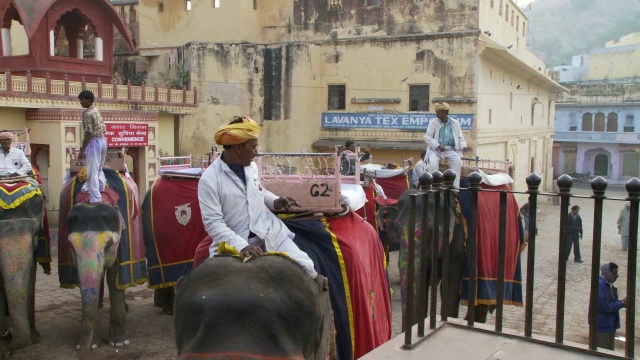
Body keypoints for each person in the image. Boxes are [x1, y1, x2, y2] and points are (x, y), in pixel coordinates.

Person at [198, 116, 318, 279]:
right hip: (235, 243)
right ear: (239, 147)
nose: (257, 152)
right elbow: (213, 223)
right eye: (253, 147)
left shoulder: (251, 168)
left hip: (270, 233)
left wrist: (275, 201)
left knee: (307, 268)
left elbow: (259, 193)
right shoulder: (209, 179)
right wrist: (242, 246)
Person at [423, 102, 469, 188]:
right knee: (432, 163)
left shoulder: (455, 123)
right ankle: (432, 186)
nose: (436, 114)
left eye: (439, 112)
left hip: (450, 149)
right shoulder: (433, 123)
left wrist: (464, 146)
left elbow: (460, 137)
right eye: (436, 112)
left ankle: (455, 188)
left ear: (445, 112)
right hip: (436, 150)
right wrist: (438, 146)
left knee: (457, 161)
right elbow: (427, 137)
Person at [77, 90, 107, 204]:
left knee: (92, 170)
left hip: (94, 142)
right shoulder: (96, 109)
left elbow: (88, 132)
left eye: (82, 100)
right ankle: (101, 187)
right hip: (103, 140)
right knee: (99, 168)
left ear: (89, 100)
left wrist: (82, 150)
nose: (81, 102)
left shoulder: (87, 113)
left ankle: (95, 198)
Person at [596, 262, 626, 350]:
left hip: (610, 326)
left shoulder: (609, 285)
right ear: (607, 273)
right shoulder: (599, 285)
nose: (617, 275)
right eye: (614, 273)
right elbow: (604, 306)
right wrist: (621, 303)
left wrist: (620, 303)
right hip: (602, 327)